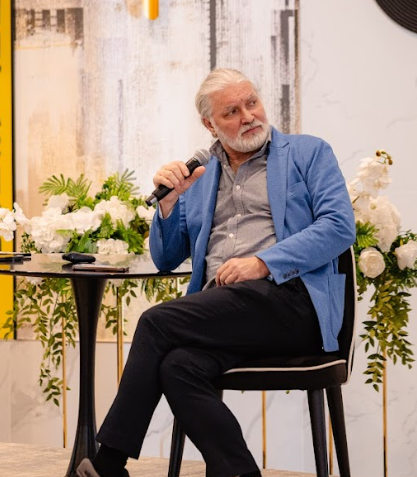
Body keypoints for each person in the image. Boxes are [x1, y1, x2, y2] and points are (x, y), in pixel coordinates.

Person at [78, 69, 355, 477]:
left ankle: (109, 464)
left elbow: (339, 226)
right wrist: (168, 205)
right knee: (178, 367)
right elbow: (166, 258)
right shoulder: (199, 176)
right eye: (232, 111)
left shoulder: (308, 152)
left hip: (292, 304)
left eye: (251, 103)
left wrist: (264, 262)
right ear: (210, 124)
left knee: (155, 322)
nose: (249, 116)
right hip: (225, 316)